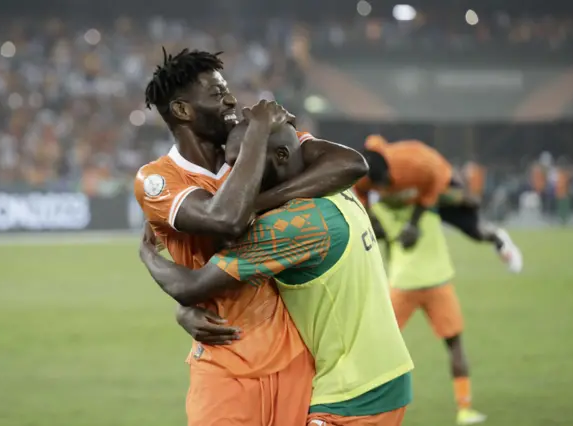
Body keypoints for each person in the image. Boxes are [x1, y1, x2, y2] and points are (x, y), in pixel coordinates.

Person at [136, 48, 368, 426]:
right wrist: (260, 128)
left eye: (227, 89)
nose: (231, 99)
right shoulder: (158, 179)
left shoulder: (250, 146)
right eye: (216, 93)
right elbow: (225, 218)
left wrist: (259, 202)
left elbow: (350, 163)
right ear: (182, 111)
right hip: (223, 363)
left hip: (294, 356)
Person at [140, 120, 414, 426]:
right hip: (381, 373)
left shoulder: (290, 225)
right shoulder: (337, 190)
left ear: (281, 156)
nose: (236, 176)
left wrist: (147, 255)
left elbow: (193, 286)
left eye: (246, 162)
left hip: (352, 391)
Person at [371, 201, 487, 426]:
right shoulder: (431, 202)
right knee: (455, 346)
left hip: (403, 284)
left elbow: (375, 236)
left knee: (376, 344)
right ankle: (464, 410)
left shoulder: (384, 208)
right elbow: (467, 200)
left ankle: (370, 404)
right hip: (438, 282)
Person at [353, 135, 523, 273]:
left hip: (439, 188)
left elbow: (432, 189)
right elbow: (361, 201)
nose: (386, 185)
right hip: (406, 200)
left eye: (387, 181)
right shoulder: (363, 177)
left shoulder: (416, 163)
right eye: (380, 185)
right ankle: (390, 276)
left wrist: (413, 224)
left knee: (475, 230)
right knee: (376, 233)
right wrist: (370, 221)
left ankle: (498, 238)